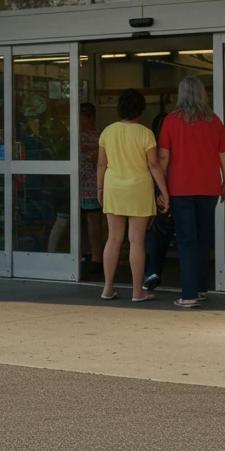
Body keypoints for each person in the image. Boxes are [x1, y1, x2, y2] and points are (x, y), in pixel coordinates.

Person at [158, 77, 225, 308]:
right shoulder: (214, 121)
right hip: (209, 188)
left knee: (187, 241)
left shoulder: (170, 121)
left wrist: (161, 189)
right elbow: (223, 155)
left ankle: (189, 295)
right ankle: (201, 288)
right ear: (203, 94)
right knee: (203, 239)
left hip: (180, 189)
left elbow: (163, 158)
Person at [97, 88, 168, 302]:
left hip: (114, 187)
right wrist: (165, 191)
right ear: (141, 110)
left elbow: (101, 163)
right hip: (138, 188)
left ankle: (108, 288)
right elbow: (154, 165)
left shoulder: (107, 132)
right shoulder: (145, 133)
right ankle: (137, 291)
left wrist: (99, 189)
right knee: (136, 241)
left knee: (113, 238)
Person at [142, 110, 173, 292]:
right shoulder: (156, 144)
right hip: (172, 193)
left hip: (158, 193)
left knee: (157, 234)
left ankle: (152, 272)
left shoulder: (151, 144)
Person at [76, 102, 103, 267]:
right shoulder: (74, 135)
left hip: (93, 184)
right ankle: (81, 252)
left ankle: (96, 258)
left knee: (94, 220)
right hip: (76, 183)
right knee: (79, 221)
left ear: (90, 116)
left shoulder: (101, 135)